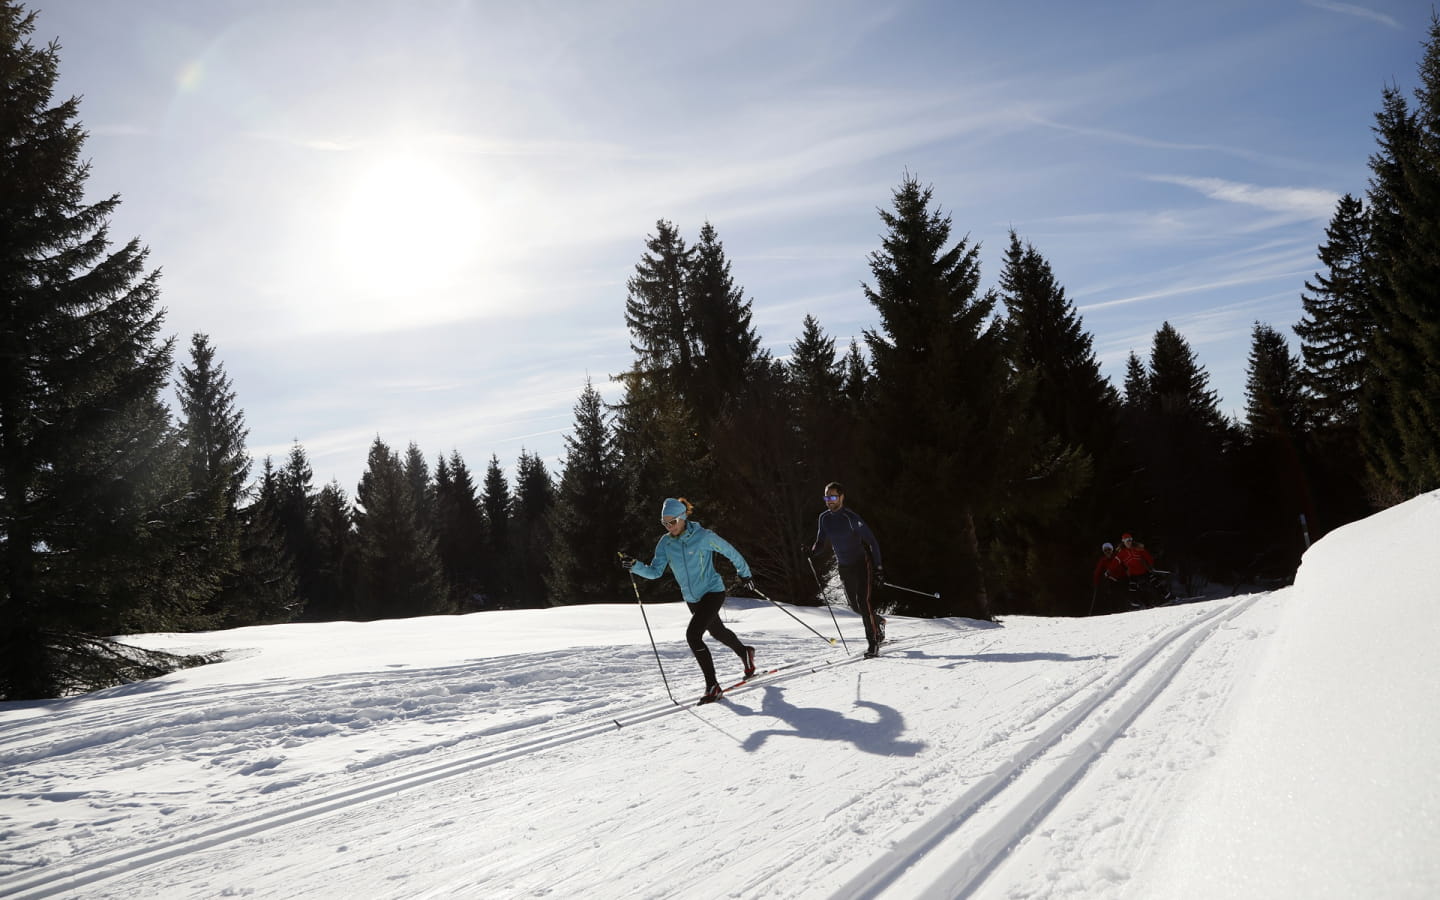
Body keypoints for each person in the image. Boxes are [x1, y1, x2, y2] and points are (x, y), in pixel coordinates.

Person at [621, 497, 757, 704]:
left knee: (693, 636)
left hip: (712, 591)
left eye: (672, 522)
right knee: (717, 632)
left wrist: (745, 573)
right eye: (664, 523)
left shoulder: (703, 537)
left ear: (683, 517)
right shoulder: (666, 543)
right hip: (692, 598)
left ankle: (713, 686)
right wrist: (635, 565)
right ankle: (745, 652)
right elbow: (655, 572)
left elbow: (730, 551)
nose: (669, 527)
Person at [809, 482, 886, 659]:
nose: (829, 501)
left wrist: (878, 566)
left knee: (863, 602)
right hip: (844, 566)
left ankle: (873, 643)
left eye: (833, 497)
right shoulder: (824, 518)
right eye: (827, 497)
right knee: (855, 606)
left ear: (842, 497)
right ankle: (879, 621)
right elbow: (820, 542)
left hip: (861, 564)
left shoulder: (851, 518)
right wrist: (812, 551)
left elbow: (872, 541)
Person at [1115, 532, 1174, 605]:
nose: (1129, 542)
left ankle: (1169, 597)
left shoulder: (1138, 548)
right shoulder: (1121, 553)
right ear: (1123, 542)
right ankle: (1137, 604)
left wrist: (1151, 566)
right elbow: (1115, 563)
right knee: (1134, 587)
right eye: (1127, 541)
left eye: (1130, 540)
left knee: (1155, 582)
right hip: (1133, 574)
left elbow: (1148, 557)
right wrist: (1109, 571)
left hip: (1143, 571)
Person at [1090, 541, 1126, 613]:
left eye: (1109, 550)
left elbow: (1125, 565)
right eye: (1105, 550)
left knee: (1124, 593)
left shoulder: (1117, 557)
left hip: (1123, 578)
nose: (1107, 552)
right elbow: (1097, 572)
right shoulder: (1103, 560)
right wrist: (1096, 582)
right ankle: (1115, 610)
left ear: (1112, 550)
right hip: (1112, 579)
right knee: (1112, 594)